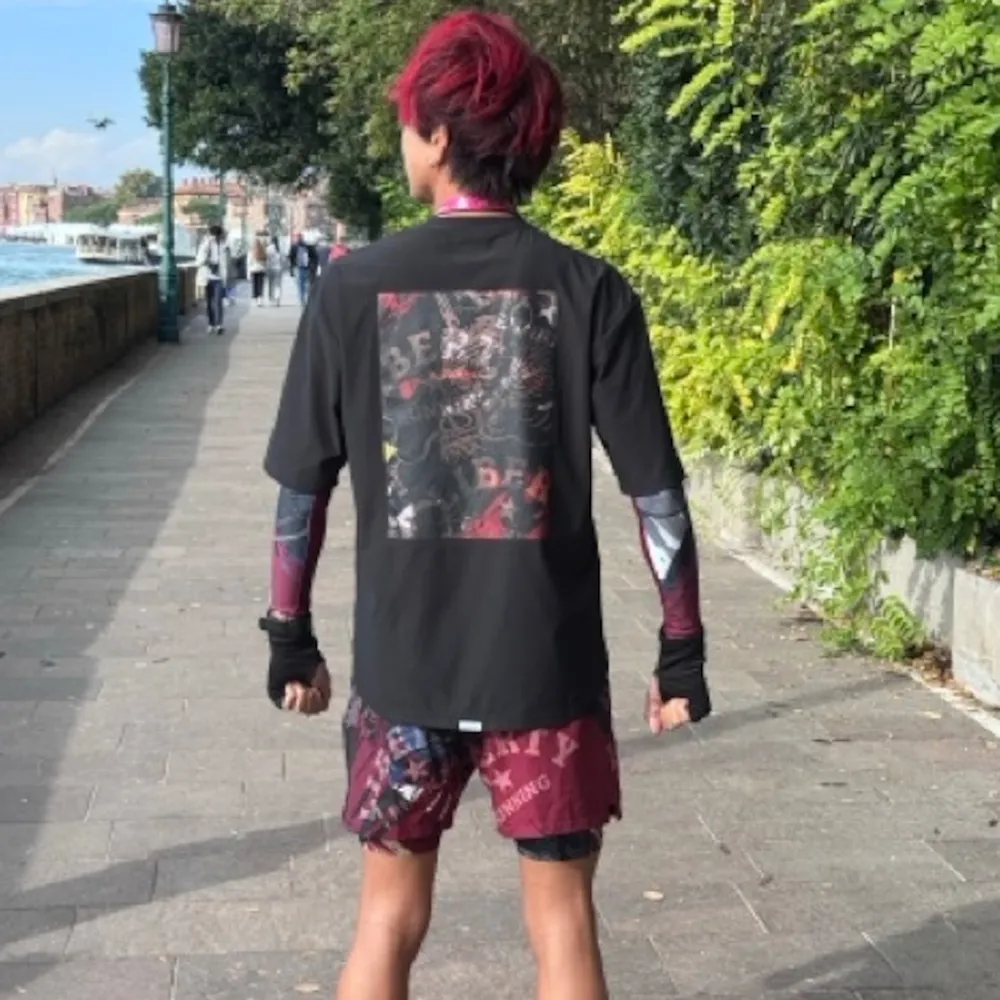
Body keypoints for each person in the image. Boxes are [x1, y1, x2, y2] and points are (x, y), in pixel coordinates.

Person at [259, 12, 710, 1000]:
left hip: (404, 665)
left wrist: (290, 636)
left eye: (406, 122)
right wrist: (680, 651)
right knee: (563, 927)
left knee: (386, 920)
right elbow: (656, 495)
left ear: (434, 134)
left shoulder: (350, 289)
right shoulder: (590, 290)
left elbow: (302, 488)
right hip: (543, 668)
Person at [195, 224, 229, 335]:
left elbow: (225, 263)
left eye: (217, 235)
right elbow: (199, 261)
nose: (215, 238)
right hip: (207, 277)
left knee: (218, 301)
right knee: (209, 302)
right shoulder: (204, 245)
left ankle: (219, 325)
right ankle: (211, 323)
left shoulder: (223, 246)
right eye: (213, 235)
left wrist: (225, 280)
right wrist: (207, 244)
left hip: (219, 278)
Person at [288, 232, 318, 306]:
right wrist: (291, 269)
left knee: (308, 283)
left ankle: (307, 297)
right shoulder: (294, 247)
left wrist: (313, 265)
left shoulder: (309, 247)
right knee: (300, 283)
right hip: (298, 267)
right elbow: (291, 258)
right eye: (298, 237)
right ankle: (302, 298)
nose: (299, 239)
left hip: (308, 267)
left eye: (300, 237)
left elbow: (315, 257)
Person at [249, 230, 268, 306]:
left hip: (253, 268)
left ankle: (255, 298)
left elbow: (249, 260)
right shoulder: (263, 246)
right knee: (260, 284)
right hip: (261, 268)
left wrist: (249, 270)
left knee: (254, 284)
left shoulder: (252, 247)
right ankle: (260, 299)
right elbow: (266, 258)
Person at [265, 235, 284, 307]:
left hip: (270, 268)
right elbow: (283, 260)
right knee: (278, 285)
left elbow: (266, 259)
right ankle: (277, 299)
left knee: (270, 284)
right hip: (278, 269)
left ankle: (271, 299)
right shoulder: (280, 248)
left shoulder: (268, 248)